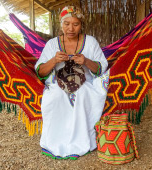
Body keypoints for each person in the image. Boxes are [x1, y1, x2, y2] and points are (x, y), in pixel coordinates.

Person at [35, 6, 109, 160]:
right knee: (55, 95)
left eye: (75, 24)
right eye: (66, 23)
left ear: (81, 25)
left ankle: (81, 142)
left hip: (85, 84)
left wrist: (86, 61)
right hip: (58, 83)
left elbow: (101, 69)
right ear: (61, 24)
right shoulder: (52, 44)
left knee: (81, 94)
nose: (70, 28)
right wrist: (54, 60)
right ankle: (55, 142)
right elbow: (41, 72)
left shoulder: (91, 42)